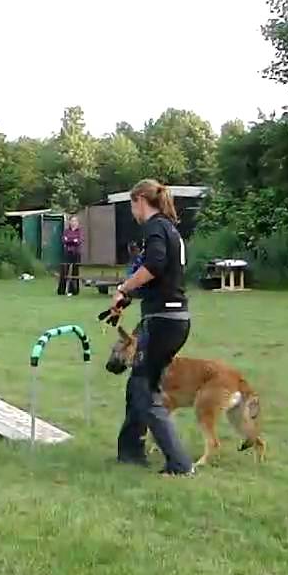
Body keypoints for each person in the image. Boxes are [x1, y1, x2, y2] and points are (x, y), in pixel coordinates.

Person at [107, 179, 195, 476]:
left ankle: (180, 464)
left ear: (140, 200)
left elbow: (155, 264)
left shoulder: (155, 226)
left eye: (132, 205)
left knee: (147, 389)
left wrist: (124, 287)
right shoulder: (170, 228)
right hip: (172, 318)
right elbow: (161, 277)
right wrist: (128, 297)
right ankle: (130, 453)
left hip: (163, 322)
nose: (133, 212)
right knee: (138, 385)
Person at [58, 215, 83, 296]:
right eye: (72, 221)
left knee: (75, 272)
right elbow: (64, 240)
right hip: (67, 253)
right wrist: (72, 240)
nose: (73, 223)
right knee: (64, 270)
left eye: (75, 221)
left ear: (78, 223)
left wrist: (70, 240)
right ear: (69, 222)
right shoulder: (66, 231)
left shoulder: (79, 231)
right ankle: (61, 290)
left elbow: (78, 241)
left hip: (76, 253)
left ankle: (74, 290)